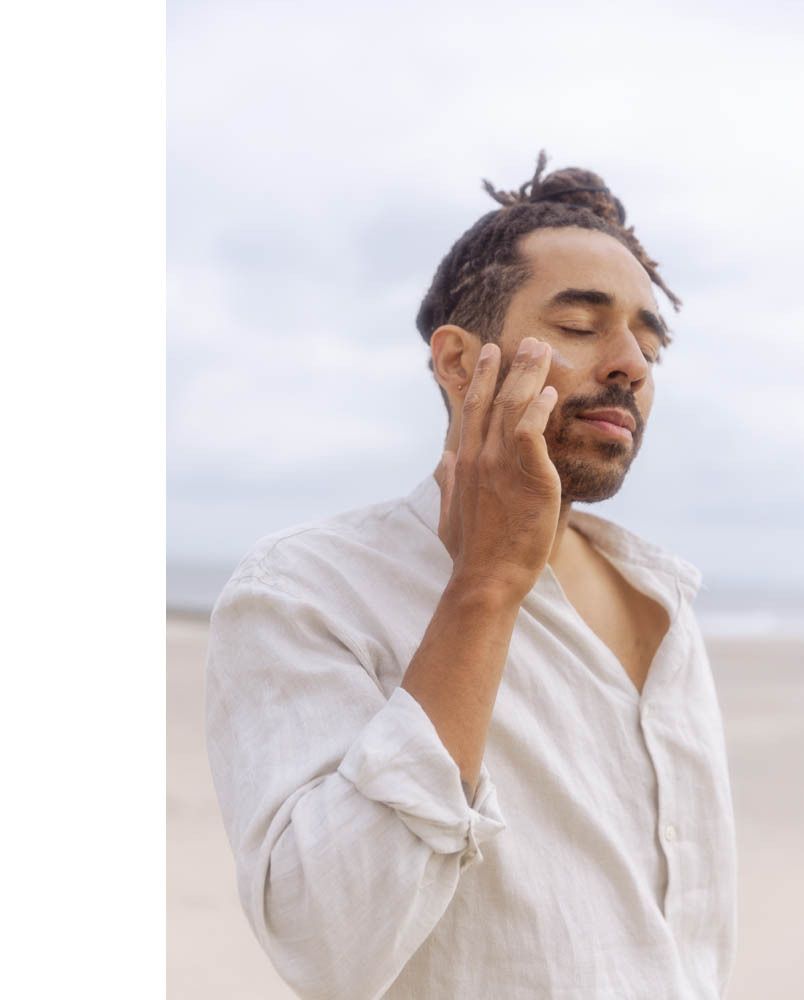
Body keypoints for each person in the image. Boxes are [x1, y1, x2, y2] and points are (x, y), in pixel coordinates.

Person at [206, 151, 737, 999]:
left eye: (649, 342)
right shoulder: (304, 591)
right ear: (459, 363)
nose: (630, 363)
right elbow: (328, 947)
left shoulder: (665, 600)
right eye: (578, 326)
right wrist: (484, 585)